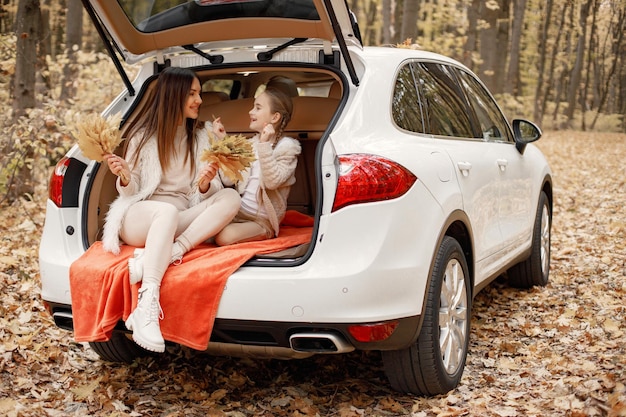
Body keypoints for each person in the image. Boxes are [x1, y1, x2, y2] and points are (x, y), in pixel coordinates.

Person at [101, 67, 241, 353]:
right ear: (173, 96)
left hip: (180, 218)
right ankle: (147, 302)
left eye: (199, 94)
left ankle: (169, 253)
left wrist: (204, 184)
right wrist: (125, 175)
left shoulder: (203, 136)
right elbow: (132, 188)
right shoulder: (142, 136)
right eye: (192, 94)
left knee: (230, 198)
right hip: (140, 215)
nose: (199, 100)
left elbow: (224, 185)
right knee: (165, 212)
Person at [211, 87, 301, 246]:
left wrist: (265, 146)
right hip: (238, 212)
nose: (250, 112)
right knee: (206, 229)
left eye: (258, 108)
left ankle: (265, 232)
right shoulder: (251, 144)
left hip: (261, 220)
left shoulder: (287, 148)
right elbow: (230, 179)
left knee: (224, 237)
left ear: (275, 117)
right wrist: (223, 140)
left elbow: (272, 182)